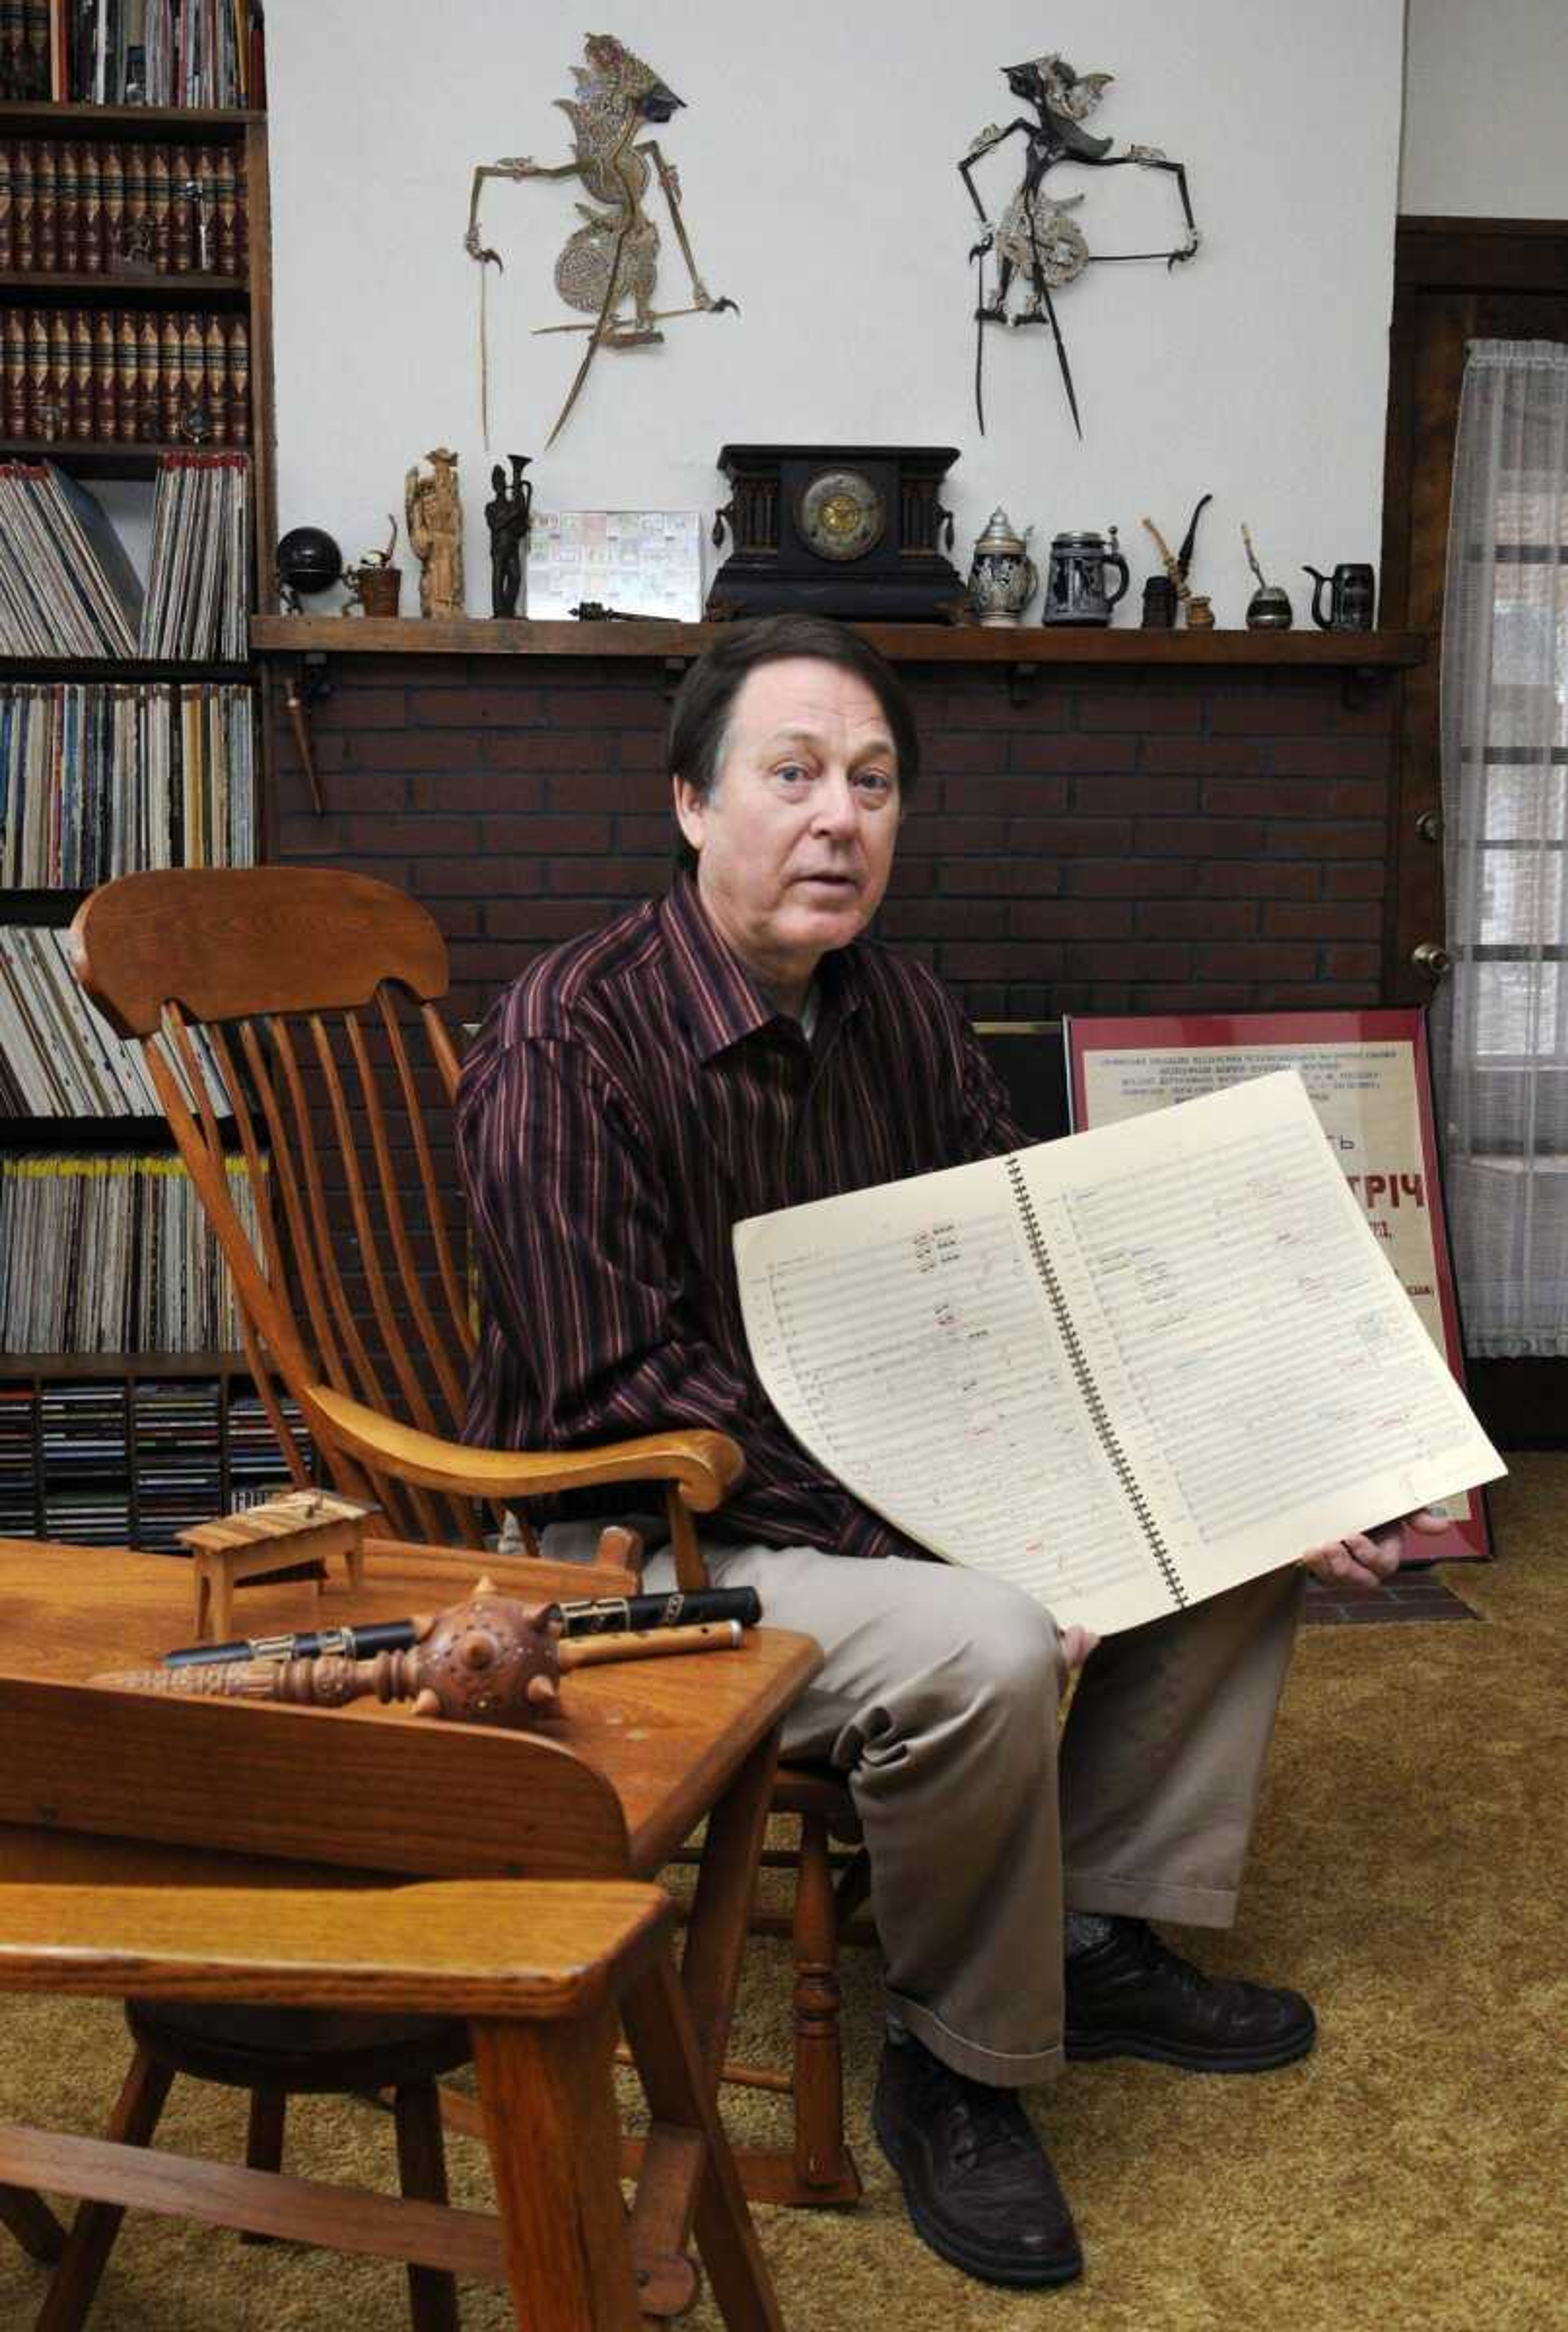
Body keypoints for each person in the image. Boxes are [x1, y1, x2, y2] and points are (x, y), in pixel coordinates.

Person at [457, 612, 1446, 2291]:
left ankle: (1081, 1927)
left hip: (874, 1483)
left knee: (1230, 1513)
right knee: (988, 1639)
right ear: (692, 803)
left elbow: (1022, 1291)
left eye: (874, 781)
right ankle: (956, 2063)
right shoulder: (569, 1040)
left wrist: (1278, 1455)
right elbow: (627, 1394)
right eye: (792, 775)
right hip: (641, 1541)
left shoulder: (906, 1010)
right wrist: (959, 1545)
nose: (840, 817)